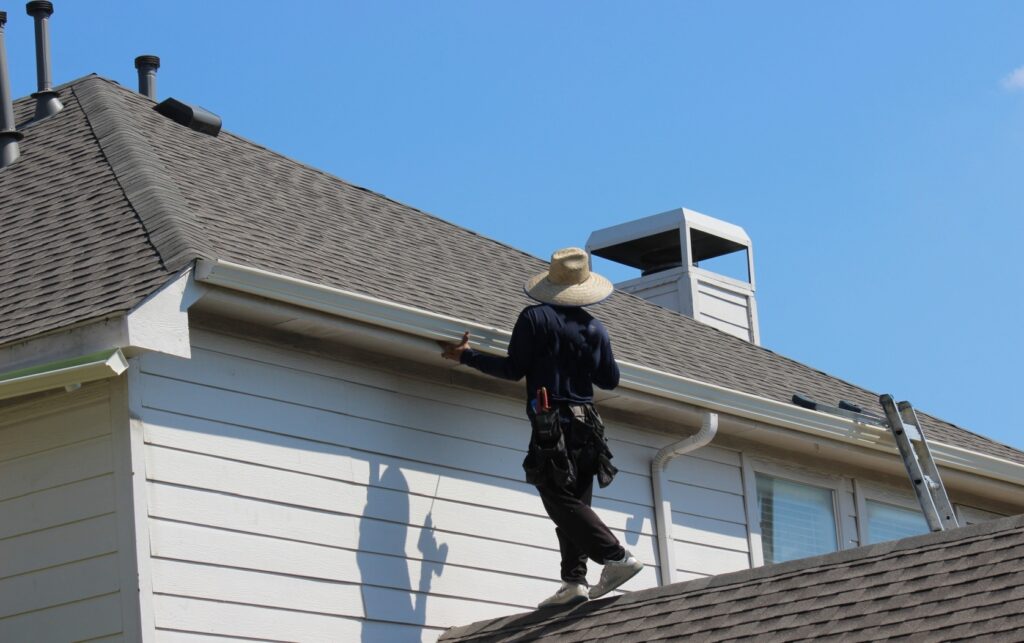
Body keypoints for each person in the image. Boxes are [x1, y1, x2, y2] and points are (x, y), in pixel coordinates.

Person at [440, 247, 643, 608]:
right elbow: (609, 379)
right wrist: (582, 355)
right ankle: (574, 582)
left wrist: (466, 355)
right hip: (589, 426)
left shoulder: (535, 319)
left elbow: (512, 369)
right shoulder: (595, 328)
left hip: (554, 423)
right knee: (576, 501)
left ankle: (616, 557)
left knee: (556, 494)